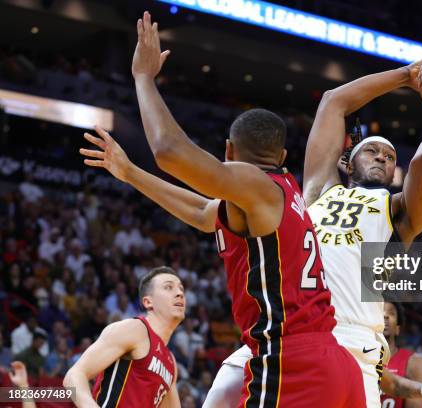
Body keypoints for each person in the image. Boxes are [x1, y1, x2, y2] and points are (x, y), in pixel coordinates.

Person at [81, 11, 366, 407]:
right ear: (281, 155)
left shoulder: (256, 185)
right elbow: (201, 212)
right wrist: (130, 174)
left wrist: (143, 79)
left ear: (229, 153)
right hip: (337, 365)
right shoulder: (282, 193)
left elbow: (169, 152)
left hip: (292, 363)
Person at [207, 60, 422, 405]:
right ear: (346, 162)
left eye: (391, 157)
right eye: (372, 151)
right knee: (218, 396)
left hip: (352, 343)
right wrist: (408, 75)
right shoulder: (317, 192)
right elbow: (333, 102)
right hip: (287, 335)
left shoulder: (398, 211)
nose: (382, 158)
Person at [63, 266, 185, 407]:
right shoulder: (133, 329)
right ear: (148, 302)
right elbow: (74, 376)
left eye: (181, 289)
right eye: (168, 287)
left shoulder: (170, 362)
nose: (179, 293)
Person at [381, 302, 422, 408]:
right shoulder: (355, 358)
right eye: (380, 311)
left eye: (391, 313)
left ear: (397, 329)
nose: (385, 316)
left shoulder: (416, 363)